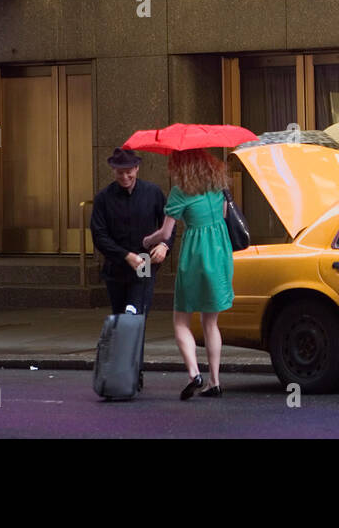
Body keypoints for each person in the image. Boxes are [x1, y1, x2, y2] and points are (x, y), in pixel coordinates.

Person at [144, 149, 234, 400]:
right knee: (210, 322)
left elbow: (164, 233)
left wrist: (147, 240)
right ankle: (215, 382)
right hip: (220, 252)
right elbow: (225, 215)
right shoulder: (219, 186)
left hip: (196, 254)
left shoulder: (180, 192)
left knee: (181, 320)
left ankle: (194, 372)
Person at [89, 148, 171, 321]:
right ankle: (123, 348)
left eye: (129, 172)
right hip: (116, 265)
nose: (125, 177)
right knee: (120, 319)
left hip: (144, 261)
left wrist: (164, 245)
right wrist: (125, 256)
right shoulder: (103, 198)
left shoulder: (152, 192)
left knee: (136, 317)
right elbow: (99, 235)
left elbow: (168, 224)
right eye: (120, 173)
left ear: (137, 168)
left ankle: (134, 347)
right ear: (113, 171)